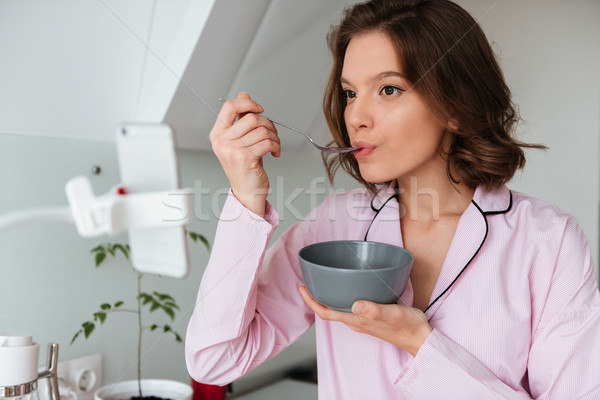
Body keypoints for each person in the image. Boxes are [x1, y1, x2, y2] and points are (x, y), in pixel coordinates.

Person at [185, 0, 600, 398]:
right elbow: (215, 361)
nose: (356, 117)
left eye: (387, 89)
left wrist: (421, 345)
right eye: (350, 93)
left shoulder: (548, 243)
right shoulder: (331, 228)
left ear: (455, 105)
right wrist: (246, 196)